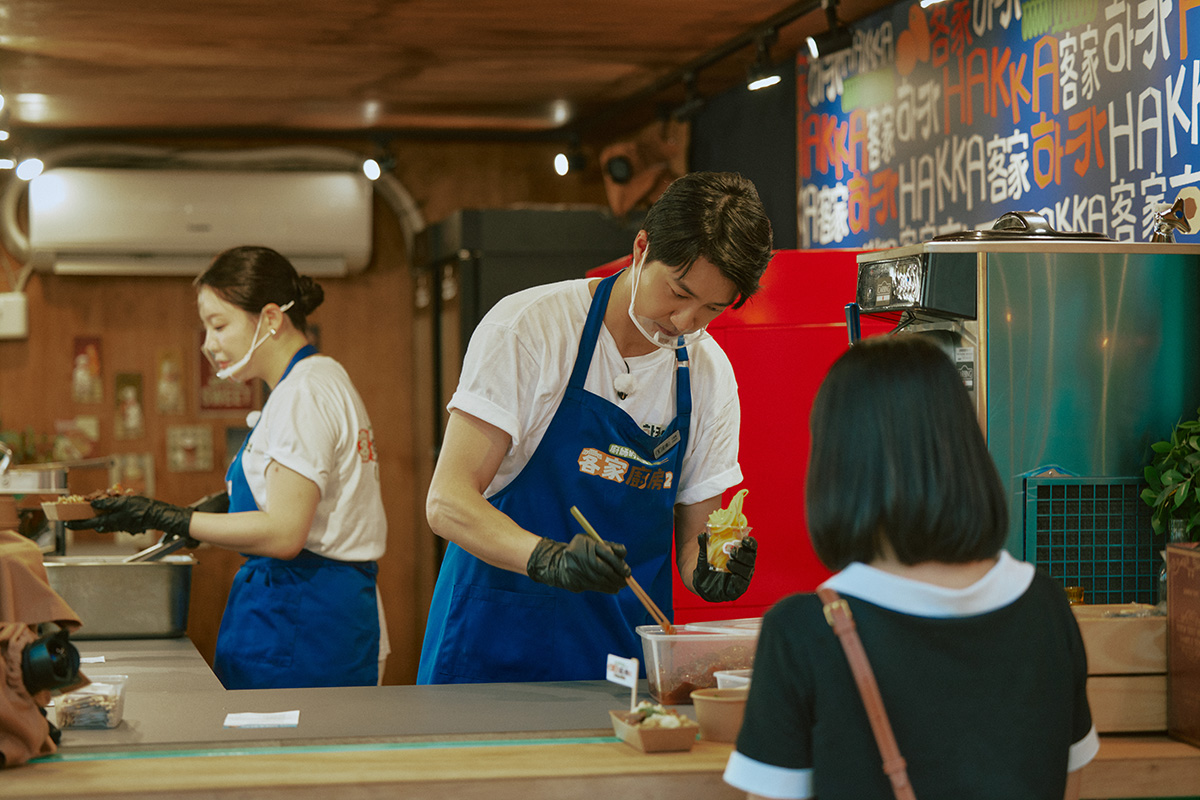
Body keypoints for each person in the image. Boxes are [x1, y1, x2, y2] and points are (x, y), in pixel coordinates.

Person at [418, 171, 773, 684]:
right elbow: (447, 502)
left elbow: (694, 545)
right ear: (641, 248)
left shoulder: (707, 374)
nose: (684, 321)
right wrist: (547, 558)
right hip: (495, 643)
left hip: (617, 661)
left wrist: (714, 570)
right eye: (678, 292)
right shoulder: (531, 329)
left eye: (711, 309)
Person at [723, 335, 1097, 800]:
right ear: (964, 448)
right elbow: (1070, 784)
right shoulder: (1045, 606)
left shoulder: (802, 630)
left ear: (838, 463)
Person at [68, 246, 389, 690]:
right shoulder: (316, 380)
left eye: (219, 325)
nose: (208, 343)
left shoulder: (303, 394)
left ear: (271, 318)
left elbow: (284, 533)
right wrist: (207, 513)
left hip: (304, 620)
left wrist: (168, 517)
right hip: (302, 612)